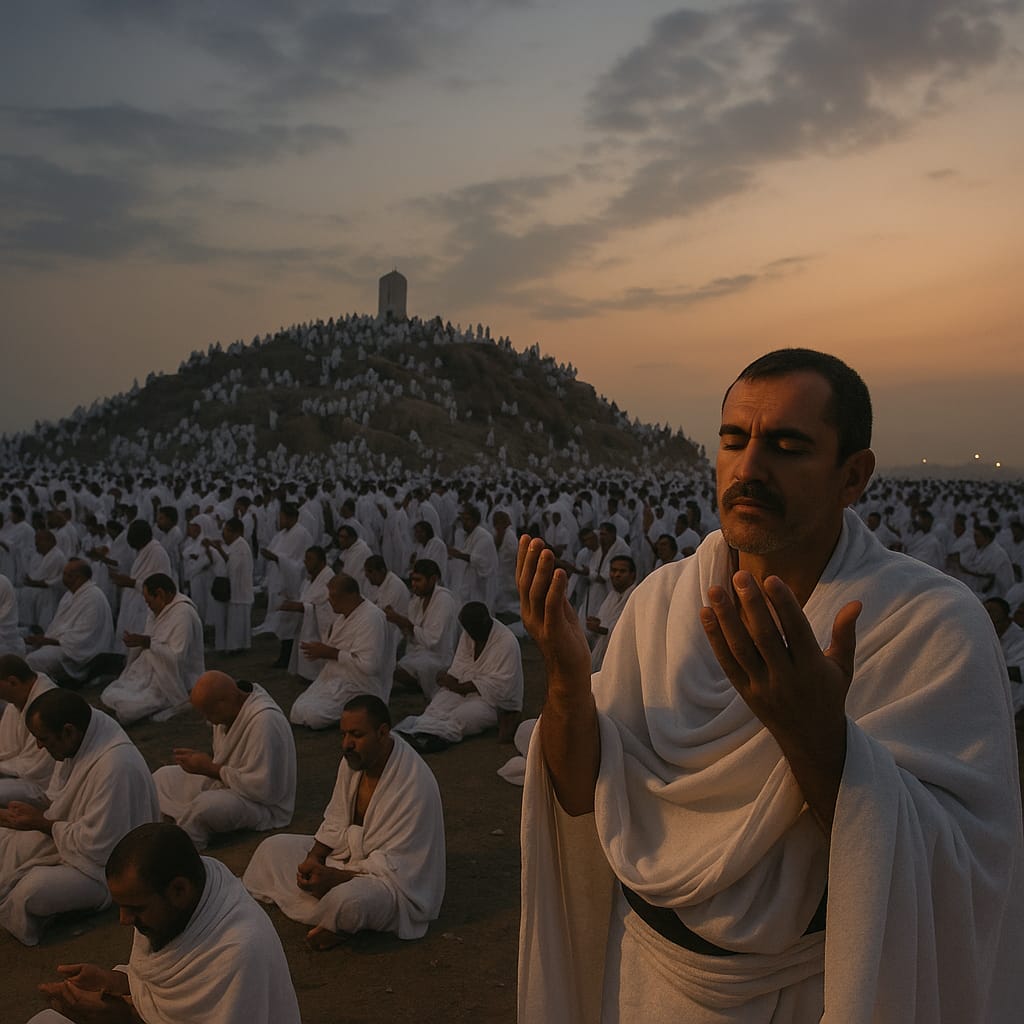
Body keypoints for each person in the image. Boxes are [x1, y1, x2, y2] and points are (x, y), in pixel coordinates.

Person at [516, 348, 1024, 1022]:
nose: (749, 469)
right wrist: (568, 685)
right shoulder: (659, 606)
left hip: (809, 993)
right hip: (643, 981)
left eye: (787, 447)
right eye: (734, 440)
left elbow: (962, 875)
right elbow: (583, 798)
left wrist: (819, 737)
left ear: (853, 476)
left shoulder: (930, 626)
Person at [31, 821, 301, 1024]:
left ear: (179, 890)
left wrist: (122, 1015)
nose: (124, 920)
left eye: (135, 908)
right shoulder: (174, 908)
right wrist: (112, 981)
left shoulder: (241, 950)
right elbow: (161, 989)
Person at [243, 695, 445, 949]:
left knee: (351, 901)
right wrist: (314, 858)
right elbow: (336, 819)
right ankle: (334, 918)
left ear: (382, 733)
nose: (347, 744)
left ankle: (339, 917)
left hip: (387, 885)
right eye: (344, 734)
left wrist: (337, 878)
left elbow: (400, 868)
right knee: (272, 848)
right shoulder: (354, 760)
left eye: (356, 735)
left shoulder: (415, 784)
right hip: (345, 859)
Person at [0, 689, 159, 945]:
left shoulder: (116, 766)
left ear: (68, 731)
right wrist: (30, 818)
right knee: (5, 839)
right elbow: (61, 801)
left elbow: (103, 848)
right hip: (70, 841)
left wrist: (41, 823)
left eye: (44, 739)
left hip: (106, 872)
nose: (40, 746)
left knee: (32, 891)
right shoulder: (86, 734)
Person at [152, 671, 296, 850]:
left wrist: (211, 769)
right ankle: (168, 824)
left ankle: (185, 845)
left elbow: (265, 790)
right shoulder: (229, 712)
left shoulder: (265, 721)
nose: (207, 720)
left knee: (205, 806)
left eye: (207, 713)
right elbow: (225, 760)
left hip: (262, 806)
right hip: (227, 783)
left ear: (222, 704)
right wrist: (201, 764)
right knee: (162, 778)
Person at [395, 601, 524, 752]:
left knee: (461, 716)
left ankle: (434, 739)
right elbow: (460, 664)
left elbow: (503, 687)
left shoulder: (506, 642)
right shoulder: (470, 632)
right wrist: (450, 678)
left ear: (485, 622)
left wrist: (463, 686)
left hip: (492, 702)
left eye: (471, 629)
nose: (468, 633)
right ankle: (415, 730)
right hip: (463, 688)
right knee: (439, 703)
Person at [290, 573, 394, 729]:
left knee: (314, 717)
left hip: (361, 686)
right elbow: (335, 650)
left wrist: (330, 653)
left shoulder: (371, 618)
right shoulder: (343, 616)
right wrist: (322, 650)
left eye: (334, 596)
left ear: (351, 595)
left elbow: (370, 666)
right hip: (335, 680)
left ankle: (359, 714)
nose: (329, 601)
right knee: (297, 712)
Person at [101, 574, 205, 725]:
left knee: (128, 709)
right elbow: (150, 639)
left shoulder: (183, 614)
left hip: (172, 679)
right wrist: (139, 642)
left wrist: (147, 642)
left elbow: (177, 658)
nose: (148, 606)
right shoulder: (158, 610)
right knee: (112, 693)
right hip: (150, 671)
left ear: (161, 594)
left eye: (149, 601)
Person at [24, 559, 113, 684]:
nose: (62, 577)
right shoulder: (69, 595)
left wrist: (48, 641)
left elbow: (84, 637)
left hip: (79, 653)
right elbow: (58, 625)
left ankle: (43, 692)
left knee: (33, 660)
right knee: (24, 650)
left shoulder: (93, 597)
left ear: (78, 577)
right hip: (62, 645)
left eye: (66, 574)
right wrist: (43, 639)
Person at [389, 559, 460, 699]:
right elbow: (412, 633)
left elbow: (434, 639)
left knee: (395, 672)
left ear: (433, 579)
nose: (413, 584)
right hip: (417, 652)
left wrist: (405, 622)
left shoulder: (444, 600)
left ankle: (419, 684)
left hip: (439, 656)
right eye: (412, 580)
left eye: (418, 580)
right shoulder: (417, 600)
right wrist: (398, 621)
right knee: (391, 666)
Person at [0, 655, 58, 806]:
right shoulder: (15, 701)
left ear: (13, 682)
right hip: (16, 774)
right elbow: (6, 749)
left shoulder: (47, 705)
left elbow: (37, 768)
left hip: (42, 785)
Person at [281, 545, 335, 680]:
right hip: (308, 620)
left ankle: (315, 675)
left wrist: (300, 607)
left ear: (322, 562)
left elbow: (322, 603)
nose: (306, 562)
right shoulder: (310, 578)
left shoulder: (328, 578)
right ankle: (306, 674)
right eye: (305, 559)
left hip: (323, 623)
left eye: (310, 559)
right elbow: (307, 599)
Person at [205, 516, 255, 653]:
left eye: (226, 531)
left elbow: (232, 566)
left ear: (236, 532)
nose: (224, 534)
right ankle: (233, 646)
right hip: (236, 590)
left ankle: (236, 647)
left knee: (237, 622)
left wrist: (219, 550)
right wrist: (219, 549)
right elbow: (230, 562)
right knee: (234, 622)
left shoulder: (241, 546)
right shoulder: (236, 545)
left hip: (240, 590)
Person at [585, 554, 637, 672]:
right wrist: (597, 622)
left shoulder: (636, 596)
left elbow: (625, 630)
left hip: (623, 656)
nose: (616, 575)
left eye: (622, 571)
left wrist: (600, 629)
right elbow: (605, 622)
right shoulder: (612, 595)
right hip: (604, 651)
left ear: (632, 574)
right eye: (613, 570)